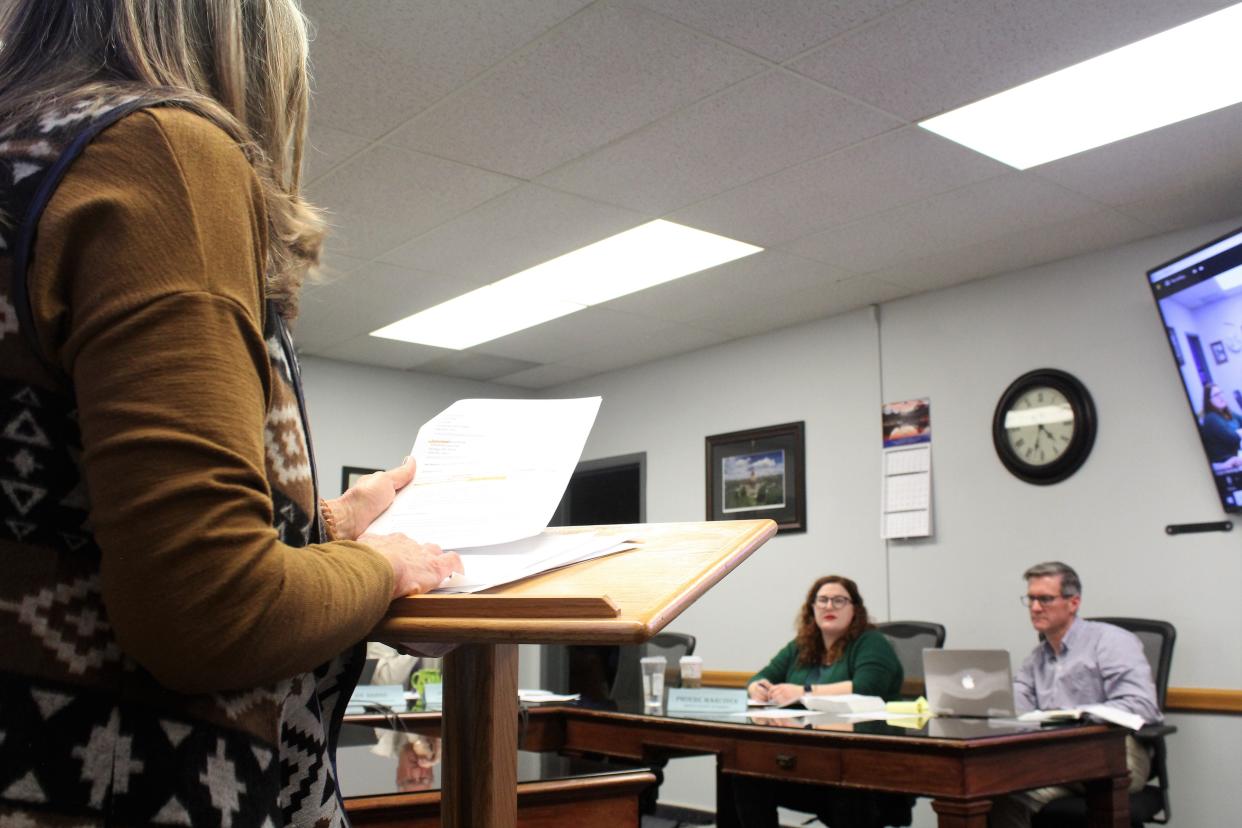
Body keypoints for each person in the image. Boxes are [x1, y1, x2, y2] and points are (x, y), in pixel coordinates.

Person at [0, 2, 461, 826]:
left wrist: (324, 528)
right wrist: (384, 567)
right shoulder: (160, 151)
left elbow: (55, 511)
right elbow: (210, 613)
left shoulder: (28, 156)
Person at [989, 562, 1162, 828]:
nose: (1035, 608)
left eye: (1045, 599)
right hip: (1058, 755)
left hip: (1115, 751)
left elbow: (1142, 705)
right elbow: (1018, 704)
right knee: (994, 792)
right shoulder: (1037, 658)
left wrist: (1082, 716)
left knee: (1010, 787)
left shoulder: (1111, 641)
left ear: (1073, 602)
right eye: (1031, 599)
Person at [736, 575, 910, 827]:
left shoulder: (871, 642)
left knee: (846, 788)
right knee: (743, 774)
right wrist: (756, 687)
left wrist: (804, 691)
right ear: (812, 608)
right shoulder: (802, 645)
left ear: (855, 609)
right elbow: (762, 676)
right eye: (822, 600)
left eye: (839, 601)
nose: (829, 607)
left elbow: (867, 688)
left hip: (865, 760)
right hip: (810, 758)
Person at [1199, 383, 1242, 469]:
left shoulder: (1228, 413)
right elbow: (1233, 438)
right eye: (1216, 395)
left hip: (1236, 457)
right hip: (1226, 463)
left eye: (1221, 393)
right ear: (1209, 401)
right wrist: (1238, 433)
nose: (1221, 397)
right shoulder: (1211, 418)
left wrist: (1237, 433)